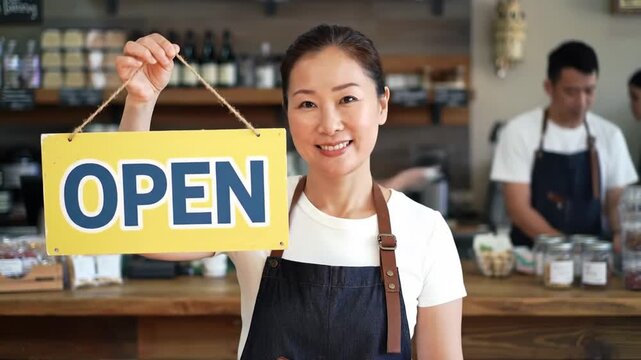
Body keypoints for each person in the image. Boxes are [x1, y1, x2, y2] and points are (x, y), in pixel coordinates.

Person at [116, 25, 466, 359]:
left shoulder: (426, 230)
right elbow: (138, 231)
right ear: (288, 114)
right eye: (307, 104)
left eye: (347, 98)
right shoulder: (252, 199)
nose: (329, 124)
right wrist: (140, 102)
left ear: (382, 105)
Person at [491, 40, 639, 251]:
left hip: (593, 260)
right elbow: (518, 208)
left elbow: (616, 199)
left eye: (589, 91)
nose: (581, 102)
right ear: (549, 88)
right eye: (571, 92)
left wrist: (620, 232)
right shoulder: (518, 132)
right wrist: (566, 250)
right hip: (531, 260)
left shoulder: (610, 135)